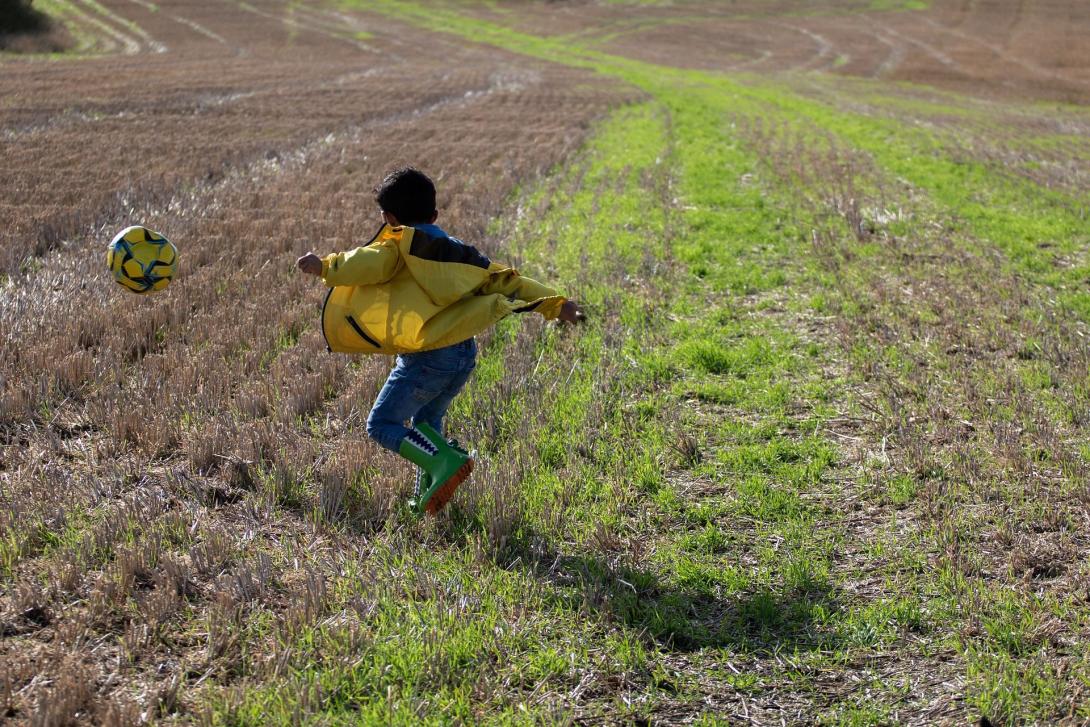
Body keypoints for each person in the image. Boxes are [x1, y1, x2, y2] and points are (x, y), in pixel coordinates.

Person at [297, 167, 584, 515]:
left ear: (388, 218)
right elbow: (508, 281)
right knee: (426, 427)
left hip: (427, 358)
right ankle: (426, 497)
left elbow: (366, 262)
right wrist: (558, 304)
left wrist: (326, 266)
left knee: (382, 424)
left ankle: (445, 460)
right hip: (462, 354)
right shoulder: (460, 255)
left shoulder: (396, 246)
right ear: (435, 215)